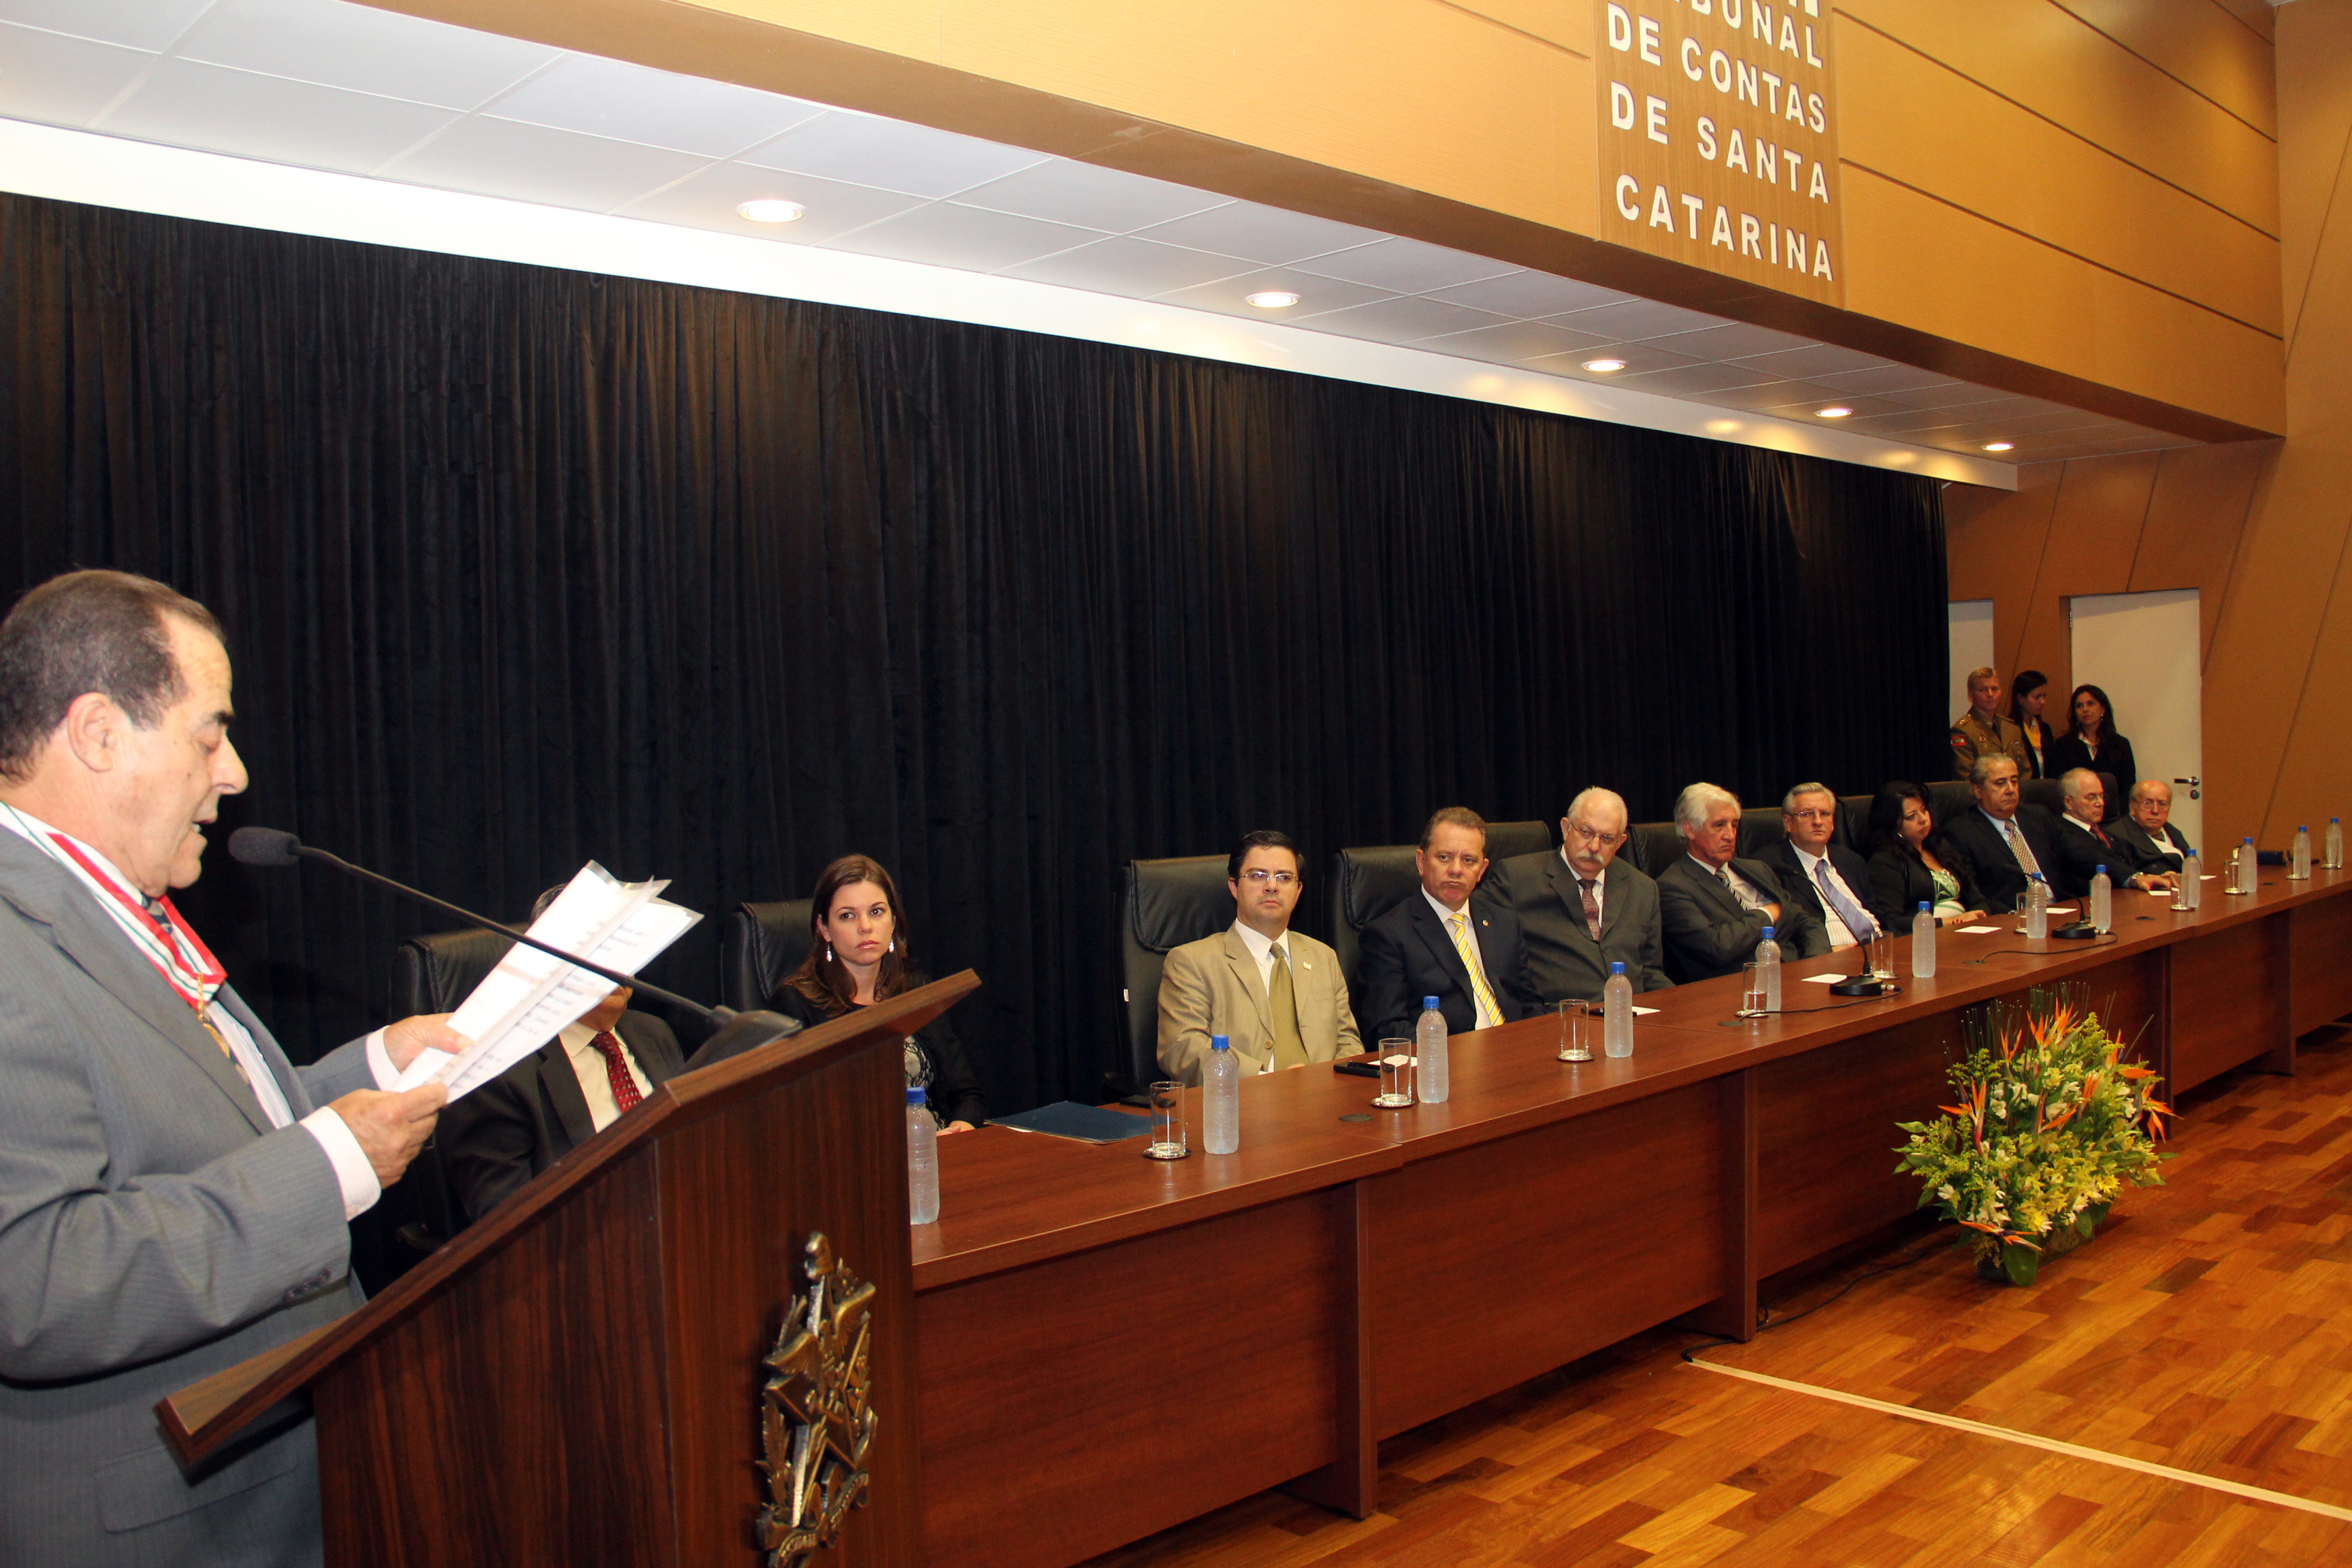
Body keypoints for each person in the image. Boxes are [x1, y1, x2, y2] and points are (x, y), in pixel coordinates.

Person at [0, 570, 462, 1567]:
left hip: (271, 1483)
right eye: (211, 733)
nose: (236, 772)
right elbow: (33, 1280)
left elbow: (191, 1126)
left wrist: (365, 1071)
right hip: (168, 1526)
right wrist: (328, 1166)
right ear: (98, 733)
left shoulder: (114, 906)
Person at [438, 886, 687, 1224]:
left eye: (628, 948)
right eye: (600, 949)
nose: (618, 966)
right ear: (548, 963)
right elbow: (502, 1220)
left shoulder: (654, 1032)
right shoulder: (496, 1072)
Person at [769, 855, 987, 1130]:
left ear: (893, 921)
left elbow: (966, 1094)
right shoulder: (795, 1003)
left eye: (876, 912)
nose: (865, 927)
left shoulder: (915, 989)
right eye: (847, 916)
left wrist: (962, 1126)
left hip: (939, 1151)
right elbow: (798, 1118)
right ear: (824, 929)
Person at [1158, 830, 1360, 1083]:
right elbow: (1183, 1050)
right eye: (1258, 876)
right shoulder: (1191, 962)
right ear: (1234, 886)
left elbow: (1348, 1041)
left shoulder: (1323, 957)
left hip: (1323, 1102)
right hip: (1243, 1107)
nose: (1272, 886)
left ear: (1298, 891)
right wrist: (1267, 1081)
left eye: (1284, 878)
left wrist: (1325, 1085)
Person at [1356, 807, 1539, 1041]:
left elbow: (1530, 1003)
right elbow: (1387, 1030)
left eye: (1468, 860)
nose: (1456, 870)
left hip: (1516, 1051)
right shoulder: (1388, 934)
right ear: (1421, 861)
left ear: (1482, 870)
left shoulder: (1504, 923)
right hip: (1450, 1061)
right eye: (1444, 857)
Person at [1476, 787, 1671, 1002]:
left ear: (1620, 842)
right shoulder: (1516, 878)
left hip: (1630, 1017)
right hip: (1557, 1018)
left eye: (1607, 838)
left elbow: (1650, 971)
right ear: (1566, 828)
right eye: (1586, 832)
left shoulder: (1643, 888)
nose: (1594, 846)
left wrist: (1679, 1005)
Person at [1655, 783, 1827, 983]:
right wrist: (1767, 914)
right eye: (1719, 825)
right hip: (1739, 989)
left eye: (1734, 825)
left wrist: (1816, 964)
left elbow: (1806, 922)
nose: (1730, 835)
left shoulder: (1757, 870)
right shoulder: (1672, 886)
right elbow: (1716, 946)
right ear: (1690, 830)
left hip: (1797, 977)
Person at [1758, 783, 1881, 953]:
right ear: (1788, 822)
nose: (1817, 821)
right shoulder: (1769, 866)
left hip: (1877, 951)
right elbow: (1782, 934)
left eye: (1824, 814)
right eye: (1806, 814)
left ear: (1832, 821)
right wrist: (1826, 953)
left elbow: (1876, 914)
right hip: (1824, 960)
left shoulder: (1850, 860)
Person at [1937, 753, 2066, 913]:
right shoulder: (1961, 832)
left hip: (2059, 910)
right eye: (2000, 783)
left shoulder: (2039, 816)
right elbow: (1973, 894)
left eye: (2014, 781)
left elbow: (2075, 854)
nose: (2011, 790)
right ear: (1978, 790)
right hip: (2011, 919)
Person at [1862, 781, 1987, 930]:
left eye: (1924, 810)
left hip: (1966, 931)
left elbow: (1976, 897)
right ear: (1892, 824)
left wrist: (1980, 914)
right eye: (1911, 817)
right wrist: (1950, 921)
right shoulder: (1885, 862)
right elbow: (1891, 922)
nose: (1923, 819)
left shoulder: (1939, 846)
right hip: (1928, 939)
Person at [2049, 769, 2176, 899]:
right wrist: (2135, 878)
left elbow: (2127, 864)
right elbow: (2096, 860)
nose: (2101, 803)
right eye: (2091, 797)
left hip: (2122, 901)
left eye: (2102, 796)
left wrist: (2154, 876)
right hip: (2086, 905)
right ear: (2069, 802)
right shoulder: (2061, 832)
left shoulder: (2106, 835)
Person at [2048, 684, 2138, 813]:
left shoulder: (2120, 744)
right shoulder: (2064, 744)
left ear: (2103, 709)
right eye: (2079, 706)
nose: (2085, 709)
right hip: (2076, 814)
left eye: (2091, 704)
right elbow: (2058, 785)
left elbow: (2128, 787)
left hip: (2113, 815)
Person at [1949, 666, 2031, 782]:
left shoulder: (2011, 728)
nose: (1990, 694)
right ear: (1971, 694)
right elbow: (1965, 778)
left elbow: (2025, 770)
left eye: (1995, 689)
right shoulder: (1963, 731)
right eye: (1983, 690)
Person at [2111, 779, 2198, 875]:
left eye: (2162, 804)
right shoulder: (2117, 836)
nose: (2156, 810)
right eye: (2148, 803)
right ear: (2132, 806)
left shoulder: (2171, 830)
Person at [2009, 670, 2058, 779]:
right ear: (2021, 698)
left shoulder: (2045, 728)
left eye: (2044, 696)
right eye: (2037, 697)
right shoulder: (2009, 729)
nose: (2043, 701)